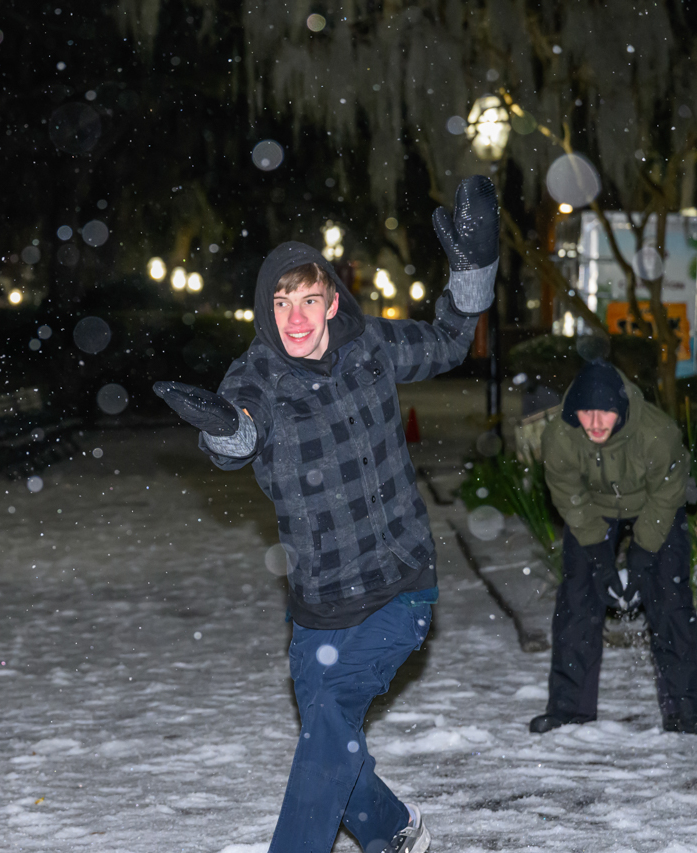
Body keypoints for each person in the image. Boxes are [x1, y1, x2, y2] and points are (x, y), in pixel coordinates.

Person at [154, 176, 499, 853]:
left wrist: (473, 274)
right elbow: (239, 431)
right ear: (267, 312)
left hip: (399, 585)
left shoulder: (370, 347)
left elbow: (452, 342)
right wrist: (226, 429)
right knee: (329, 738)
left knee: (328, 726)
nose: (297, 317)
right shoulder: (256, 376)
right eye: (282, 302)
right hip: (317, 605)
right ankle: (395, 830)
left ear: (332, 300)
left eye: (310, 298)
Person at [532, 359, 697, 734]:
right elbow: (569, 495)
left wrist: (640, 558)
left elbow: (665, 497)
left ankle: (686, 710)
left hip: (654, 505)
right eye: (587, 413)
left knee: (670, 600)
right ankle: (569, 709)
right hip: (594, 506)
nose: (595, 423)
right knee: (577, 599)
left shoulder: (657, 434)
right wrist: (597, 556)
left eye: (605, 412)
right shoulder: (560, 436)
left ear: (620, 410)